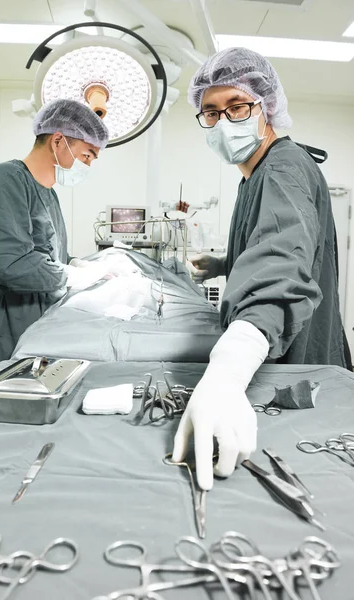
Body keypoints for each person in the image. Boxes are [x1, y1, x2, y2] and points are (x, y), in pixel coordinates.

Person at [171, 47, 352, 491]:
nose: (223, 121)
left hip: (296, 358)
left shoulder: (283, 168)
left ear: (266, 107)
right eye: (210, 112)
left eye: (237, 106)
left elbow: (282, 262)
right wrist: (224, 264)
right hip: (282, 351)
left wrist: (228, 370)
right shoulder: (256, 174)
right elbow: (271, 244)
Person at [0, 99, 111, 382]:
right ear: (58, 141)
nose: (88, 165)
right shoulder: (4, 179)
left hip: (42, 322)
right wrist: (72, 275)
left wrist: (78, 264)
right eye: (87, 155)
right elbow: (12, 265)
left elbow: (49, 257)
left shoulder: (48, 193)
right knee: (3, 413)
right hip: (12, 323)